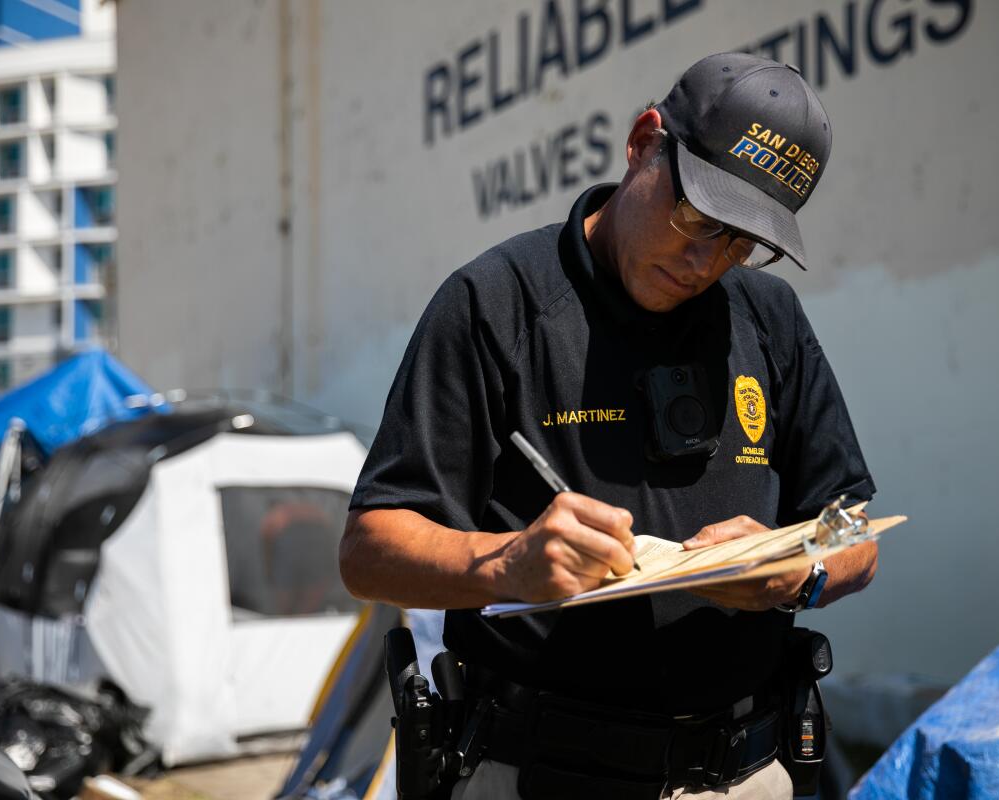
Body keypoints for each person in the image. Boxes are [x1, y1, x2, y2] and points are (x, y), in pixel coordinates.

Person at [340, 52, 878, 800]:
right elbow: (369, 552)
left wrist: (802, 574)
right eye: (696, 214)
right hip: (537, 774)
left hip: (745, 771)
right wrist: (507, 563)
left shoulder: (769, 318)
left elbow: (855, 532)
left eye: (741, 242)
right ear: (643, 142)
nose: (704, 260)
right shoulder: (495, 305)